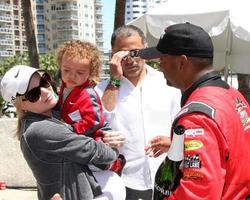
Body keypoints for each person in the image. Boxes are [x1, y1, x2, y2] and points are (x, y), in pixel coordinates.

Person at [140, 22, 250, 199]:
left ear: (182, 62)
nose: (160, 67)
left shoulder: (197, 117)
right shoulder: (232, 94)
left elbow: (199, 192)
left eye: (162, 60)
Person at [0, 65, 126, 200]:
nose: (45, 91)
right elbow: (100, 153)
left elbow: (98, 121)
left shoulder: (56, 115)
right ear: (21, 105)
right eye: (33, 94)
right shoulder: (40, 129)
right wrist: (113, 148)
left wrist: (108, 136)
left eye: (44, 81)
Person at [95, 25, 181, 200]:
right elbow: (101, 116)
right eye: (122, 55)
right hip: (122, 179)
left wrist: (172, 143)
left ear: (146, 49)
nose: (129, 60)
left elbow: (181, 126)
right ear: (113, 55)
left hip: (166, 175)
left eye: (135, 52)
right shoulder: (103, 89)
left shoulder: (167, 83)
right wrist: (115, 80)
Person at [56, 40, 125, 175]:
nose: (71, 76)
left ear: (91, 72)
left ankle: (115, 163)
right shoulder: (64, 87)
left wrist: (71, 129)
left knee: (97, 160)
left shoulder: (87, 94)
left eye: (80, 72)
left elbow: (94, 120)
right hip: (78, 136)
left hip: (94, 136)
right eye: (66, 70)